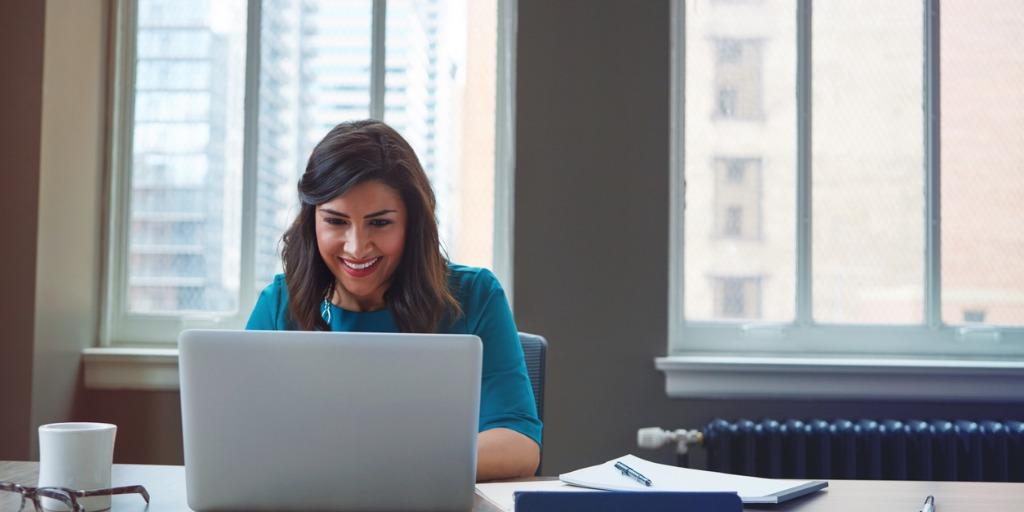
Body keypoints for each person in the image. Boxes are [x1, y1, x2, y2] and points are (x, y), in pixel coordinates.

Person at [245, 119, 541, 480]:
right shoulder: (280, 303)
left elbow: (519, 444)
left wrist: (387, 466)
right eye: (336, 222)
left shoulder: (476, 295)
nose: (356, 247)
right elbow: (240, 436)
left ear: (411, 224)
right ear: (312, 222)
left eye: (380, 223)